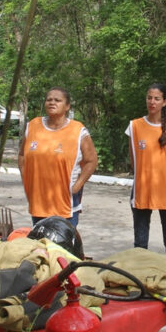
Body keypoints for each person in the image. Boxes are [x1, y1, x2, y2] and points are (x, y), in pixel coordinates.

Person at [19, 87, 98, 227]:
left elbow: (91, 161)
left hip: (66, 203)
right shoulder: (32, 126)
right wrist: (27, 182)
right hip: (39, 202)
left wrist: (77, 186)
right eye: (49, 99)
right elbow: (21, 156)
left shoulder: (78, 130)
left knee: (63, 246)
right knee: (41, 245)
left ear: (67, 106)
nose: (52, 103)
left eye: (57, 100)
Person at [126, 83, 166, 257]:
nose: (152, 102)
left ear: (164, 102)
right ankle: (139, 280)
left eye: (157, 98)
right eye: (149, 98)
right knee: (140, 244)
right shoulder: (134, 126)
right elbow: (133, 159)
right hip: (142, 190)